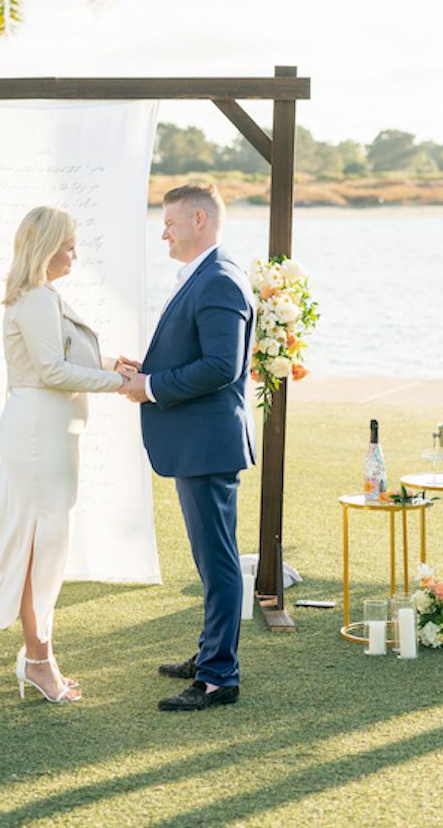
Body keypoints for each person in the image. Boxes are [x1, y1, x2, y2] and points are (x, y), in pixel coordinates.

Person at [0, 205, 124, 704]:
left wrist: (111, 363)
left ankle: (38, 655)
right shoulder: (36, 297)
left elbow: (61, 358)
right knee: (43, 548)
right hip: (41, 433)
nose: (75, 254)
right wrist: (122, 384)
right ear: (46, 248)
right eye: (69, 245)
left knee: (43, 545)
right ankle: (38, 660)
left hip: (47, 431)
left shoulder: (42, 296)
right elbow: (53, 373)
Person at [118, 182, 256, 712]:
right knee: (208, 558)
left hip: (208, 442)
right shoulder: (206, 275)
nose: (164, 233)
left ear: (200, 219)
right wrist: (146, 372)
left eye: (170, 223)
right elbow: (200, 355)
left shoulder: (219, 279)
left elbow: (224, 366)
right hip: (198, 440)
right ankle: (209, 655)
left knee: (218, 560)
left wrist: (150, 387)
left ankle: (219, 678)